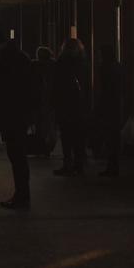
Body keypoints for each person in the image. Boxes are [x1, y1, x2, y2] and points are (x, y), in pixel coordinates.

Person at [0, 25, 32, 209]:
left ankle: (21, 196)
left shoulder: (2, 61)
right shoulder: (21, 57)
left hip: (11, 113)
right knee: (19, 157)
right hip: (20, 113)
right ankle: (22, 194)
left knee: (17, 156)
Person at [53, 38, 89, 175]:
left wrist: (54, 103)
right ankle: (79, 164)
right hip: (79, 105)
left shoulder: (61, 63)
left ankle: (67, 163)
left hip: (65, 104)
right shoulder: (83, 63)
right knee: (79, 136)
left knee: (66, 136)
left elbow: (56, 86)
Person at [93, 44, 123, 176]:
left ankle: (111, 165)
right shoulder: (118, 67)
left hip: (108, 105)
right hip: (116, 104)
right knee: (114, 136)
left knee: (109, 135)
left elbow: (104, 89)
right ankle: (114, 164)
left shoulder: (104, 68)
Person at [29, 46, 56, 158]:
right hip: (50, 100)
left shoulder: (35, 66)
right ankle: (47, 147)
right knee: (49, 125)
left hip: (38, 99)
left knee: (39, 125)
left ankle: (40, 146)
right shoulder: (54, 66)